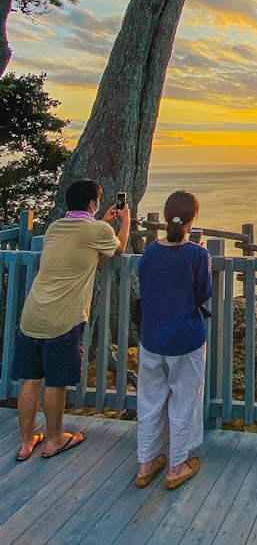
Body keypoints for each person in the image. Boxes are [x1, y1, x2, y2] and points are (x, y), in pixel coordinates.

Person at [12, 179, 129, 461]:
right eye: (99, 199)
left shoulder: (55, 228)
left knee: (30, 379)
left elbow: (82, 246)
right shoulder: (97, 230)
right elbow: (118, 249)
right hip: (63, 318)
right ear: (92, 203)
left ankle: (26, 442)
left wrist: (101, 221)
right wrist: (125, 221)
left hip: (33, 313)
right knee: (56, 382)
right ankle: (54, 440)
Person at [135, 190, 212, 491]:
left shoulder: (151, 252)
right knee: (184, 401)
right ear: (193, 220)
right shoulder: (197, 254)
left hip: (152, 338)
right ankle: (176, 466)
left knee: (150, 401)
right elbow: (202, 292)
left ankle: (146, 464)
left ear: (167, 217)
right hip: (185, 339)